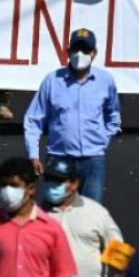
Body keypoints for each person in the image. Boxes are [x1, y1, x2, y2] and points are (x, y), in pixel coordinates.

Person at [24, 29, 122, 205]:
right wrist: (33, 154)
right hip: (59, 158)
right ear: (68, 51)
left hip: (93, 161)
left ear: (94, 53)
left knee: (91, 215)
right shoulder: (52, 81)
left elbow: (113, 115)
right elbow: (33, 120)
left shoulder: (105, 81)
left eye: (85, 50)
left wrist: (102, 142)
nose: (80, 54)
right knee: (54, 213)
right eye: (76, 49)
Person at [43, 157, 124, 277]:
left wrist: (120, 269)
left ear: (74, 183)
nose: (51, 185)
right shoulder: (38, 214)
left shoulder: (95, 212)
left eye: (57, 181)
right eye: (48, 180)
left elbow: (115, 240)